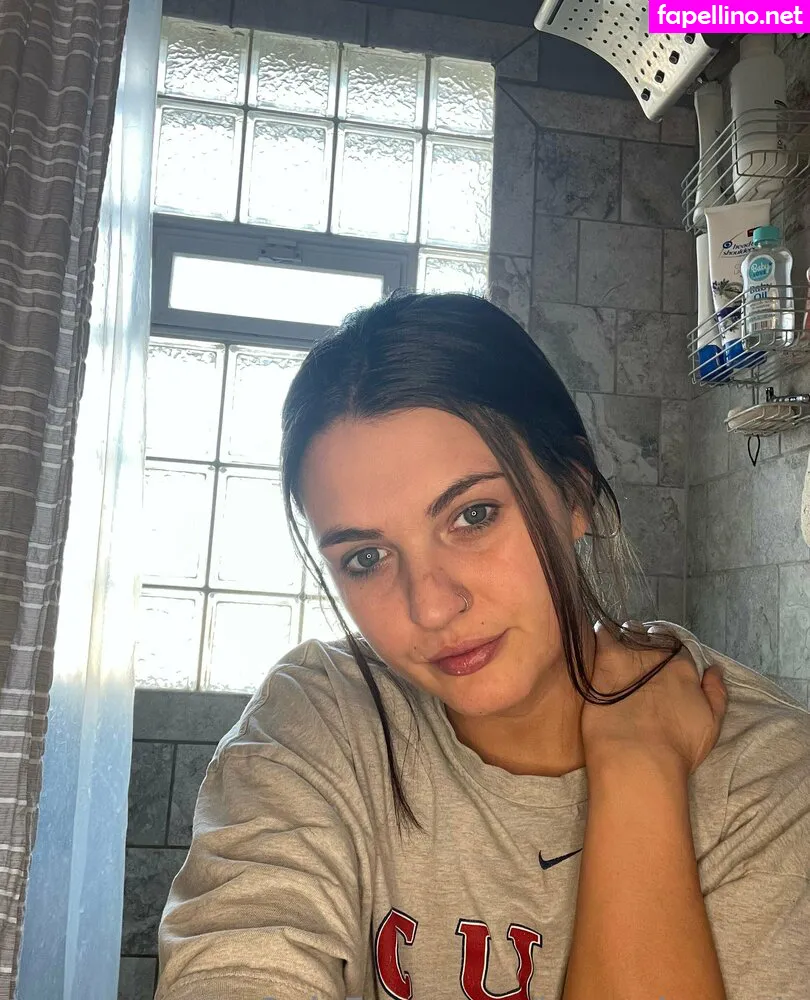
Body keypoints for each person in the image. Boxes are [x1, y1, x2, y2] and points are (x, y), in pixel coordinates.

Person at [155, 292, 810, 1000]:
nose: (432, 606)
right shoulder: (320, 720)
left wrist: (640, 772)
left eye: (473, 515)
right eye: (366, 558)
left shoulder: (765, 779)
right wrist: (639, 757)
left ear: (574, 492)